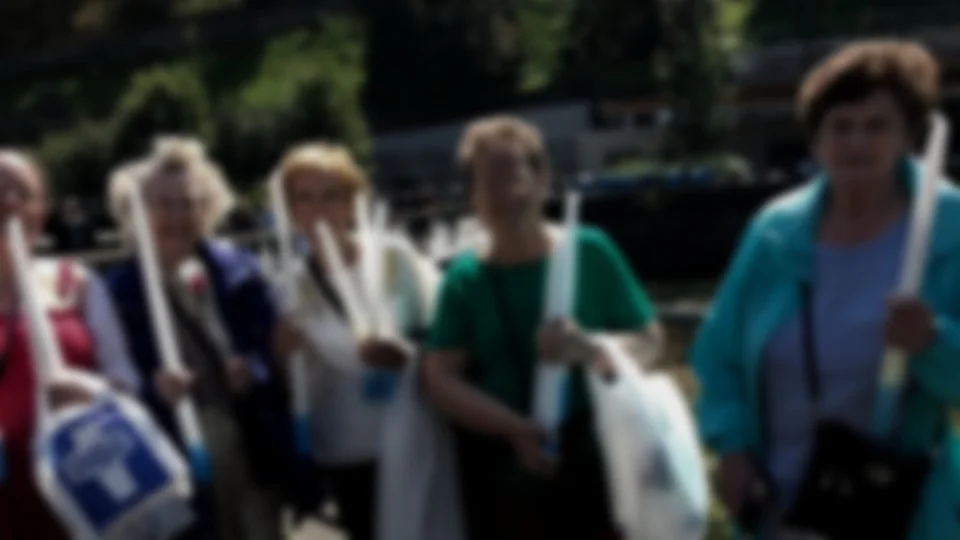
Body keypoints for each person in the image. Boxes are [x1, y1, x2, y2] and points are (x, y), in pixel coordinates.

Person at [692, 41, 960, 539]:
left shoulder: (950, 229)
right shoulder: (774, 231)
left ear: (911, 138)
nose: (857, 141)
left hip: (900, 516)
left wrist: (932, 343)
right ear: (815, 141)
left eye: (877, 125)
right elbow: (718, 356)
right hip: (778, 513)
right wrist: (730, 449)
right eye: (840, 126)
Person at [421, 115, 665, 540]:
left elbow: (651, 343)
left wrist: (589, 349)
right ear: (473, 196)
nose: (504, 194)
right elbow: (439, 377)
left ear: (543, 180)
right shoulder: (464, 279)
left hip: (602, 471)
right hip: (508, 487)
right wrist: (511, 428)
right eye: (488, 182)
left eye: (514, 175)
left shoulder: (590, 251)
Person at [105, 137, 294, 540]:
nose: (178, 215)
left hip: (249, 448)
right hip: (174, 460)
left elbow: (271, 350)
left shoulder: (239, 270)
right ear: (132, 211)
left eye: (189, 203)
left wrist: (253, 371)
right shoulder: (115, 294)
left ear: (208, 208)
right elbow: (110, 382)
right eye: (163, 204)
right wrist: (151, 392)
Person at [271, 142, 438, 540]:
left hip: (414, 435)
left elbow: (439, 330)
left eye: (331, 196)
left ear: (352, 201)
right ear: (291, 210)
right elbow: (296, 385)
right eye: (304, 198)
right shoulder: (286, 286)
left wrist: (409, 354)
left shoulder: (393, 257)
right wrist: (281, 354)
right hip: (347, 449)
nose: (319, 210)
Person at [0, 150, 141, 539]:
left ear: (41, 212)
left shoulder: (76, 284)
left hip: (86, 489)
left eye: (23, 193)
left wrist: (92, 393)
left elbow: (126, 378)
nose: (9, 202)